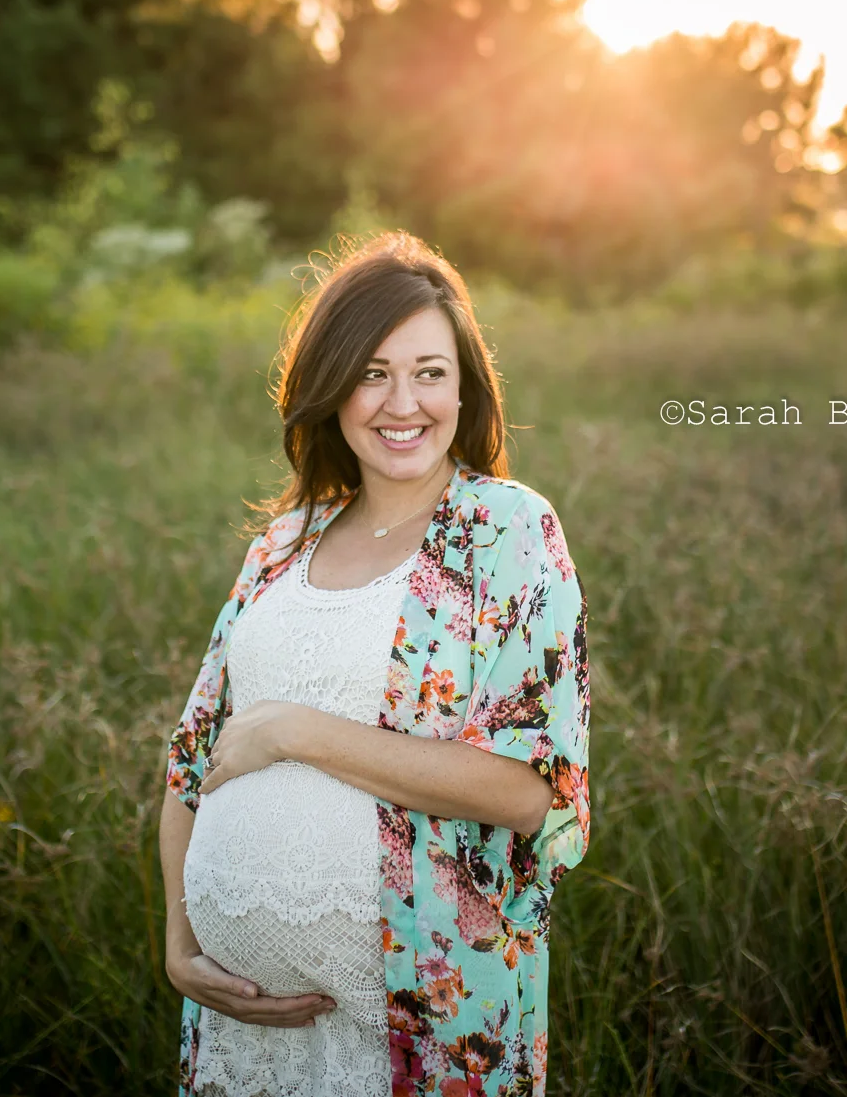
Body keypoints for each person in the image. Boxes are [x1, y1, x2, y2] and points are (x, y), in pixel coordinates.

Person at [159, 230, 592, 1097]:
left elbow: (530, 792)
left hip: (428, 1021)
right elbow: (190, 760)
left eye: (430, 371)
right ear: (330, 387)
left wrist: (298, 731)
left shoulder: (505, 531)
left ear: (465, 386)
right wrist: (179, 943)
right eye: (372, 371)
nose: (405, 401)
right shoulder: (282, 546)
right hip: (244, 1031)